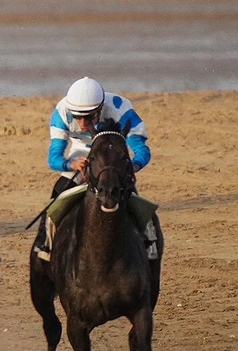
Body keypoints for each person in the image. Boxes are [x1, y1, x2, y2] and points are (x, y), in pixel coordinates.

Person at [38, 77, 156, 257]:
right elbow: (53, 158)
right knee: (58, 193)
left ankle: (149, 240)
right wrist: (71, 164)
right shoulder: (61, 113)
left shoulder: (121, 110)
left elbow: (141, 150)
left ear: (100, 109)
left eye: (89, 117)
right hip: (81, 152)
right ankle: (46, 243)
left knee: (132, 195)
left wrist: (134, 166)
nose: (83, 124)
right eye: (78, 117)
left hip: (112, 155)